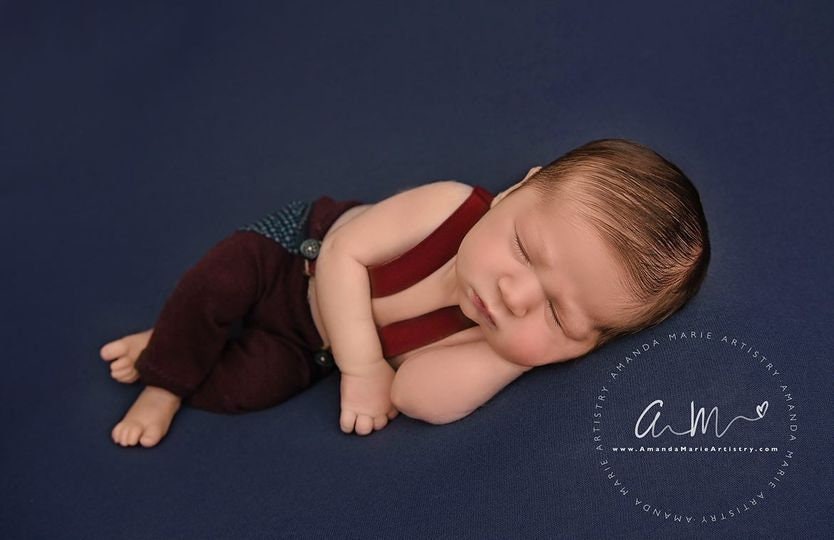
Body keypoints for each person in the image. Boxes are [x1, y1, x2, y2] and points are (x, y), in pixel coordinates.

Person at [100, 138, 710, 447]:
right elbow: (345, 254)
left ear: (586, 348)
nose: (516, 295)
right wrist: (363, 367)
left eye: (560, 315)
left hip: (309, 348)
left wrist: (510, 354)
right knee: (219, 283)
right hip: (294, 258)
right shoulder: (448, 206)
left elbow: (417, 396)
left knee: (247, 389)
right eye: (525, 248)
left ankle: (179, 344)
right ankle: (165, 380)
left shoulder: (486, 338)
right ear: (515, 191)